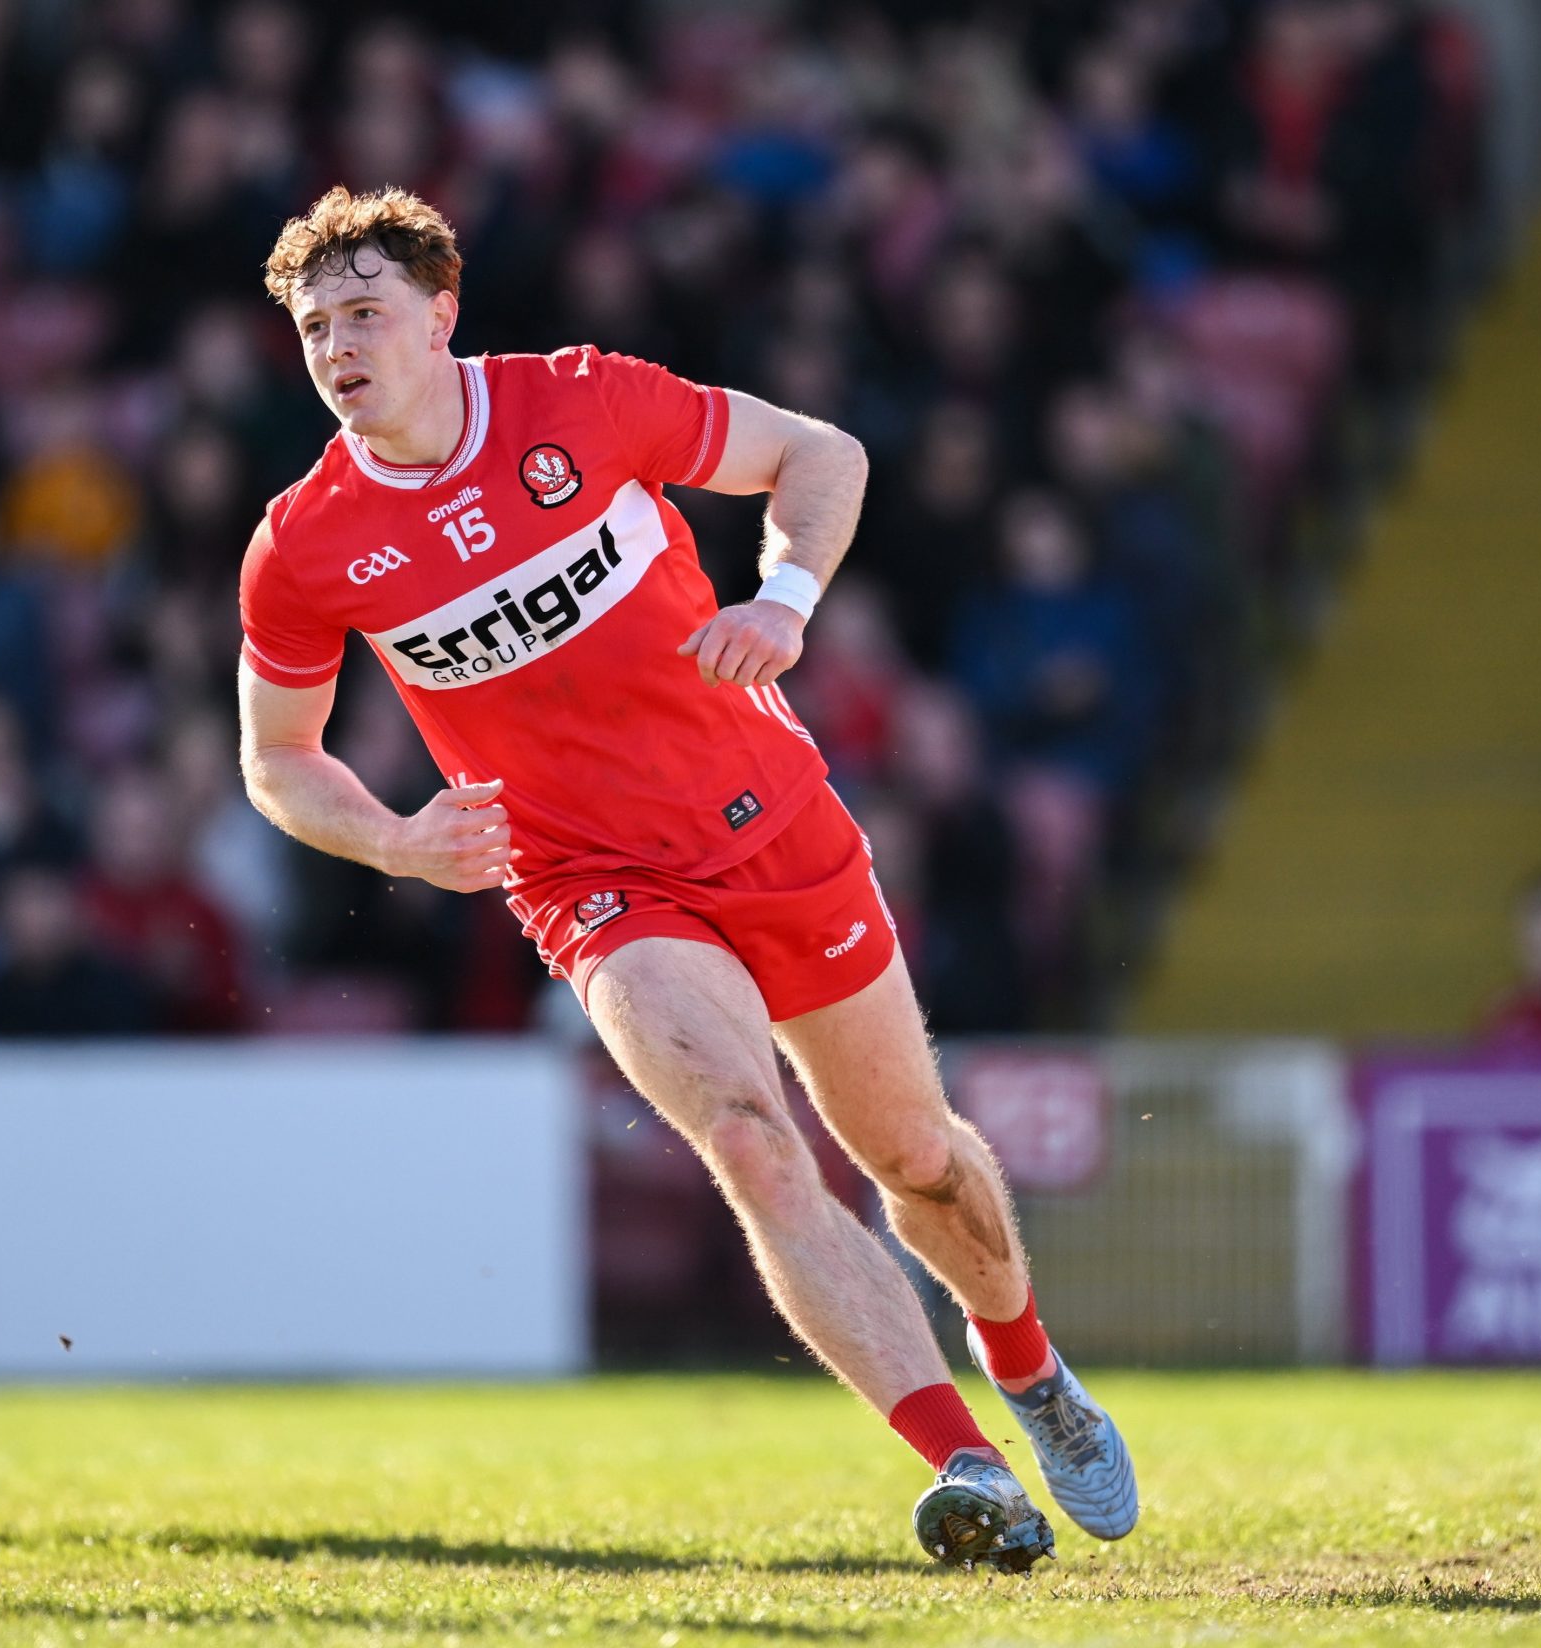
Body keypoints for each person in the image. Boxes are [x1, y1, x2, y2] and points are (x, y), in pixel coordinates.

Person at [234, 187, 1138, 1571]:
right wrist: (396, 841)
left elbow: (820, 454)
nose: (339, 346)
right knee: (751, 1140)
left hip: (771, 822)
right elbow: (277, 761)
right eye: (315, 327)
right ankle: (967, 1468)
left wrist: (784, 600)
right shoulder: (304, 543)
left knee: (912, 1156)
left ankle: (1028, 1368)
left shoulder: (581, 400)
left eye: (365, 312)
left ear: (441, 315)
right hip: (591, 885)